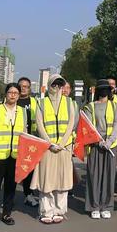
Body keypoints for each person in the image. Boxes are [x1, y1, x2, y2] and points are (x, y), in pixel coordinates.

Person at [31, 74, 76, 224]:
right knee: (46, 180)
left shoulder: (70, 102)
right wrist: (49, 143)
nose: (56, 88)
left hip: (64, 148)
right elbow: (39, 124)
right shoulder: (41, 103)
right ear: (49, 86)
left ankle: (59, 210)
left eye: (59, 85)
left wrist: (62, 143)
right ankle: (46, 211)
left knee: (62, 180)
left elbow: (71, 124)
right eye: (54, 84)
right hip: (47, 148)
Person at [0, 83, 27, 226]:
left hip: (15, 155)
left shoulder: (22, 112)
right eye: (10, 92)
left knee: (11, 186)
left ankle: (6, 214)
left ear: (19, 95)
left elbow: (25, 134)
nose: (13, 95)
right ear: (6, 94)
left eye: (16, 92)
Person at [83, 79, 117, 219]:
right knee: (94, 175)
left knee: (109, 176)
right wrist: (99, 141)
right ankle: (94, 206)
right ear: (97, 90)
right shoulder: (90, 107)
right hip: (95, 144)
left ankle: (106, 206)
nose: (105, 91)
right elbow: (88, 127)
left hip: (111, 145)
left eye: (107, 88)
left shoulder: (115, 106)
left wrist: (110, 141)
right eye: (102, 88)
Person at [17, 76, 39, 207]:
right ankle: (10, 196)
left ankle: (28, 195)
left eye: (26, 86)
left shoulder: (35, 102)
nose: (23, 88)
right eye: (21, 86)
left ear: (30, 89)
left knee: (29, 169)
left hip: (31, 140)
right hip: (15, 140)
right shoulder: (12, 100)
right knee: (13, 169)